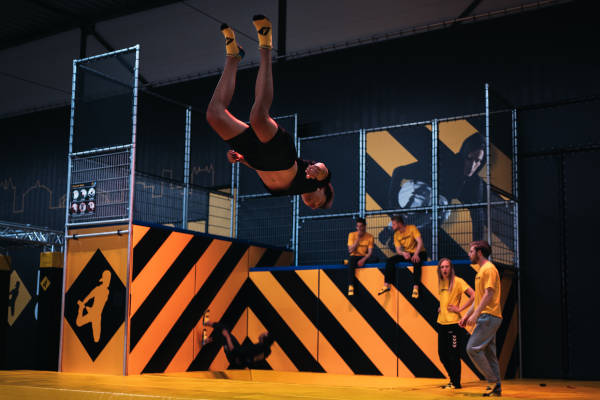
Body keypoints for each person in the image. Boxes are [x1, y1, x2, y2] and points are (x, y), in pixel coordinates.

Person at [206, 15, 334, 210]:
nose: (313, 204)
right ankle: (265, 45)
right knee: (257, 117)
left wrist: (242, 160)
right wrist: (319, 170)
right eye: (320, 201)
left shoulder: (294, 191)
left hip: (256, 157)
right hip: (281, 154)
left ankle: (233, 57)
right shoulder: (314, 179)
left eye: (315, 207)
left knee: (214, 115)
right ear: (323, 189)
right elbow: (324, 170)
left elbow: (263, 169)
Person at [459, 240, 503, 397]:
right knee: (490, 353)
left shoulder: (488, 269)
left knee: (472, 348)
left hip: (489, 316)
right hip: (487, 316)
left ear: (479, 253)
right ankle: (496, 387)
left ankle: (491, 381)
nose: (469, 254)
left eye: (471, 251)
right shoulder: (481, 272)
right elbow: (479, 298)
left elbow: (489, 293)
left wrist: (476, 314)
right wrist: (466, 316)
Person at [437, 258, 474, 390]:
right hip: (441, 323)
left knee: (454, 355)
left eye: (447, 267)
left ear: (451, 268)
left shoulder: (458, 281)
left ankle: (456, 383)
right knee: (442, 354)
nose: (444, 269)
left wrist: (460, 309)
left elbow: (474, 295)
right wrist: (441, 306)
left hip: (454, 324)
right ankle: (452, 380)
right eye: (442, 267)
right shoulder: (441, 282)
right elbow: (445, 299)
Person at [378, 215, 426, 297]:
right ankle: (386, 285)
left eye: (393, 224)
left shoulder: (412, 228)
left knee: (416, 261)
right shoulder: (396, 234)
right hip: (408, 253)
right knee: (390, 261)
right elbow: (398, 250)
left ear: (399, 224)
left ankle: (415, 288)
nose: (392, 226)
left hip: (419, 252)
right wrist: (404, 253)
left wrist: (416, 254)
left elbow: (420, 242)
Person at [203, 319, 274, 369]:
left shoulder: (255, 349)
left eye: (264, 333)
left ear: (264, 338)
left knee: (224, 331)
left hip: (234, 357)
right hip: (240, 360)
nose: (262, 333)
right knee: (226, 336)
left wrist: (227, 337)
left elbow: (234, 351)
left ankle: (207, 322)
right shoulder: (267, 350)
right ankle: (206, 341)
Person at [346, 217, 374, 296]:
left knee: (375, 259)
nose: (359, 228)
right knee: (351, 260)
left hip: (363, 257)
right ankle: (351, 285)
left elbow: (370, 253)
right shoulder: (352, 235)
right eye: (358, 226)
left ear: (365, 226)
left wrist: (363, 260)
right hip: (354, 256)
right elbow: (350, 251)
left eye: (361, 226)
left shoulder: (370, 237)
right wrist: (358, 239)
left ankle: (347, 262)